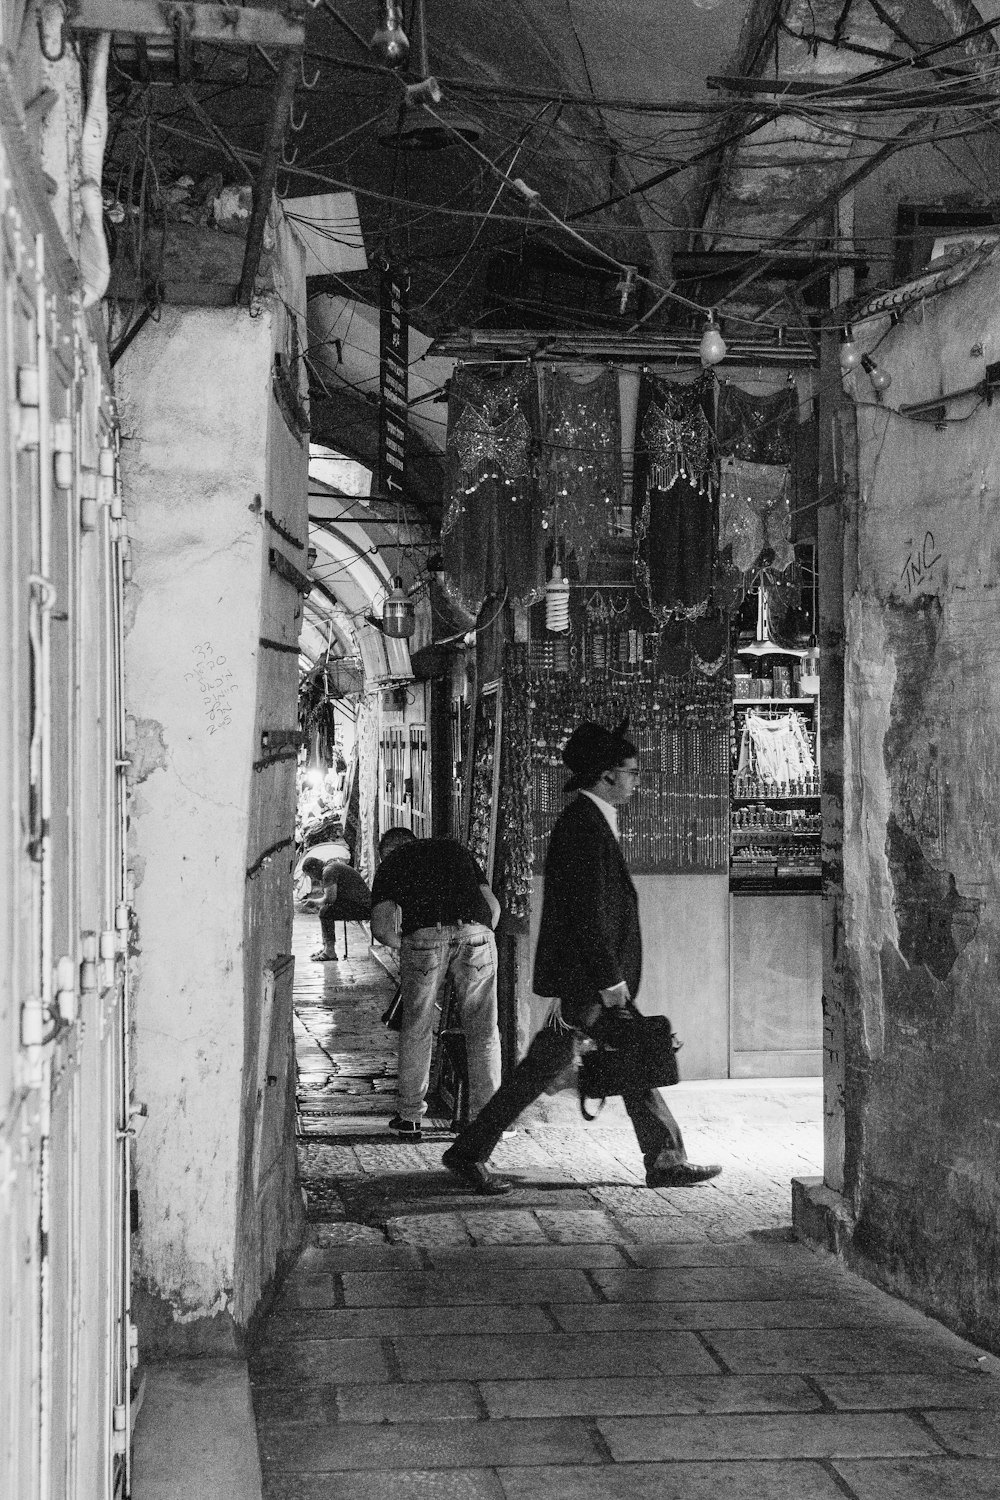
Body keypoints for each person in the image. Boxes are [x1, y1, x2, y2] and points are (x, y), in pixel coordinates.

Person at [441, 719, 723, 1196]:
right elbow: (587, 914)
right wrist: (611, 980)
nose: (636, 781)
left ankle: (665, 1158)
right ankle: (469, 1153)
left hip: (589, 978)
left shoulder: (588, 822)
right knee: (546, 1069)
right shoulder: (583, 826)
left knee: (618, 1054)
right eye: (632, 772)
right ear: (607, 775)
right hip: (589, 980)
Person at [370, 827, 502, 1141]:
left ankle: (410, 1117)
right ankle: (488, 1122)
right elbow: (493, 907)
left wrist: (406, 944)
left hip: (425, 938)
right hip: (477, 933)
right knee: (484, 1029)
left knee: (416, 1027)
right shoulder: (454, 849)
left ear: (387, 851)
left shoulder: (391, 864)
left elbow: (381, 927)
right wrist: (478, 938)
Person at [301, 855, 372, 962]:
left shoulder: (328, 871)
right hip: (360, 904)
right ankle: (326, 947)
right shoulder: (330, 867)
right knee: (326, 910)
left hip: (364, 907)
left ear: (314, 869)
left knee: (325, 912)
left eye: (311, 876)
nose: (313, 879)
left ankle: (330, 951)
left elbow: (330, 898)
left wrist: (314, 902)